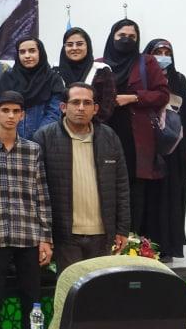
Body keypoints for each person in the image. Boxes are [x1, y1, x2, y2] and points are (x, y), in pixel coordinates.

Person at [0, 91, 52, 329]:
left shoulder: (33, 150)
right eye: (5, 110)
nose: (11, 116)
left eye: (16, 111)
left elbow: (42, 195)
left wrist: (46, 238)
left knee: (33, 300)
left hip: (28, 235)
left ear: (22, 115)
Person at [32, 83, 130, 270]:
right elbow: (36, 191)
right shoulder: (44, 137)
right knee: (71, 286)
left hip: (102, 234)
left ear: (95, 109)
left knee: (99, 286)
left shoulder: (109, 137)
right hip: (65, 235)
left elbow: (121, 186)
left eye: (87, 103)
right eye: (75, 102)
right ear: (63, 107)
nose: (81, 108)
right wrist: (43, 235)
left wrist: (122, 229)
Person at [100, 19, 170, 255]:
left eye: (132, 36)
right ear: (112, 36)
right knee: (105, 186)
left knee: (134, 190)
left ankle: (133, 244)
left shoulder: (146, 62)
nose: (126, 40)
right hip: (104, 133)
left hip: (136, 137)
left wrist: (133, 97)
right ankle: (105, 244)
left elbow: (163, 94)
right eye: (121, 35)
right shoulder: (99, 64)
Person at [143, 38, 186, 260]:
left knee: (172, 197)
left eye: (166, 52)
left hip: (175, 149)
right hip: (148, 148)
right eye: (158, 52)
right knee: (149, 197)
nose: (162, 56)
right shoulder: (142, 78)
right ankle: (145, 247)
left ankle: (169, 248)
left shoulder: (178, 79)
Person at [0, 37, 65, 139]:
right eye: (22, 52)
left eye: (32, 51)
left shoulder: (52, 79)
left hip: (43, 140)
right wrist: (7, 137)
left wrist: (38, 138)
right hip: (10, 140)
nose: (27, 56)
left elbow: (54, 113)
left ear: (40, 53)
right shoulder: (7, 78)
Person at [55, 27, 116, 122]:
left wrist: (85, 125)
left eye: (79, 44)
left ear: (88, 46)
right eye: (69, 45)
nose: (74, 48)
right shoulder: (55, 70)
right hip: (59, 126)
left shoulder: (101, 70)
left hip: (93, 127)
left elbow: (107, 106)